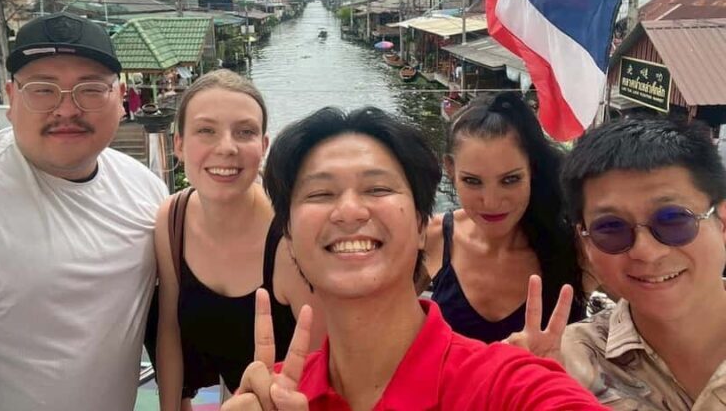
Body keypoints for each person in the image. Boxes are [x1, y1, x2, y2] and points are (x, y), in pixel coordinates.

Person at [225, 107, 606, 410]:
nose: (350, 211)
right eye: (320, 194)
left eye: (377, 188)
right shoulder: (273, 397)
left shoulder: (507, 388)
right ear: (289, 238)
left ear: (423, 226)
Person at [0, 12, 168, 411]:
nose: (66, 109)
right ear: (11, 97)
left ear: (121, 98)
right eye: (43, 89)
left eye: (90, 90)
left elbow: (160, 315)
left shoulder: (144, 189)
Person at [154, 70, 320, 410]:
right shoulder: (172, 219)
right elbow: (169, 330)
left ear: (263, 147)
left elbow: (323, 359)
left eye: (244, 132)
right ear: (179, 145)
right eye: (206, 130)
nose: (227, 148)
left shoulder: (291, 237)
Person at [560, 118, 726, 409]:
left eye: (674, 219)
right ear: (586, 242)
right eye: (611, 228)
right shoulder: (567, 362)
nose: (646, 252)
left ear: (722, 221)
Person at [424, 92, 587, 343]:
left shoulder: (577, 248)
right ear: (450, 169)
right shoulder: (433, 237)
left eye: (510, 180)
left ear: (531, 168)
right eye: (472, 181)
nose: (491, 202)